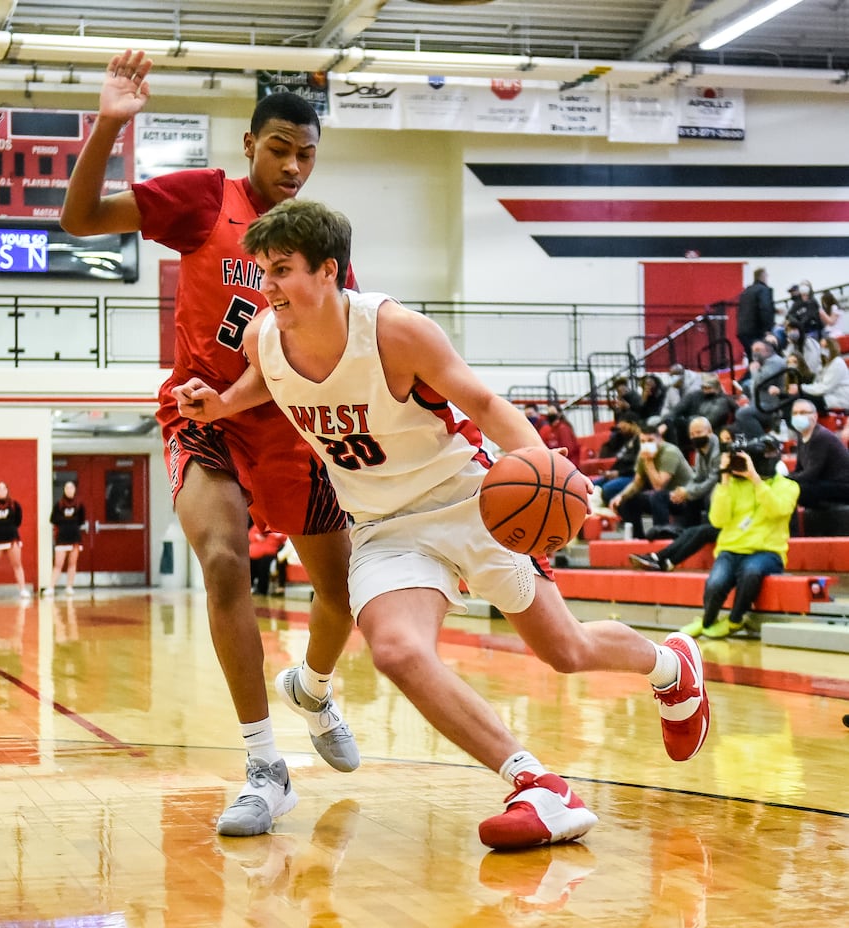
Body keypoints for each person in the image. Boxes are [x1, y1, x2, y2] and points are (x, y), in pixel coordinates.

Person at [175, 199, 709, 849]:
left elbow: (481, 401)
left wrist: (539, 461)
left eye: (281, 271)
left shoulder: (395, 332)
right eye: (262, 271)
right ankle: (538, 785)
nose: (267, 287)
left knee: (565, 650)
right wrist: (222, 402)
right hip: (382, 527)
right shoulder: (266, 333)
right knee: (397, 651)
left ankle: (670, 664)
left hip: (470, 504)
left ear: (328, 271)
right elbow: (267, 379)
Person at [61, 49, 360, 835]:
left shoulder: (321, 244)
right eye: (279, 148)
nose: (292, 165)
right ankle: (265, 766)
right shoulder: (203, 201)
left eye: (306, 154)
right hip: (202, 417)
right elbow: (80, 220)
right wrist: (109, 126)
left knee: (342, 597)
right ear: (249, 145)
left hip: (292, 426)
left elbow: (346, 351)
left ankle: (316, 688)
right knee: (224, 562)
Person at [679, 435, 799, 639]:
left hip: (767, 552)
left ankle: (735, 620)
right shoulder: (731, 485)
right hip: (730, 550)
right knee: (715, 583)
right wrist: (724, 480)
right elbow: (718, 520)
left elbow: (777, 510)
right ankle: (706, 622)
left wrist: (755, 479)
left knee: (751, 572)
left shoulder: (788, 486)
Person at [629, 419, 722, 572]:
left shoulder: (719, 453)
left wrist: (688, 492)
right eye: (692, 434)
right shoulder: (700, 452)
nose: (695, 437)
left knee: (698, 529)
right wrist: (684, 492)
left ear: (710, 432)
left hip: (718, 507)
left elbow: (712, 480)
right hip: (712, 505)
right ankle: (660, 559)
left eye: (698, 433)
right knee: (693, 530)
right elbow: (697, 478)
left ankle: (659, 558)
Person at [609, 422, 694, 540]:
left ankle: (661, 536)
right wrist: (621, 496)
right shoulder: (642, 454)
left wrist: (649, 462)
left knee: (657, 496)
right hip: (665, 497)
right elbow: (637, 482)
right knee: (627, 501)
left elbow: (659, 485)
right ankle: (638, 538)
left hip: (685, 498)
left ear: (659, 439)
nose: (646, 444)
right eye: (643, 441)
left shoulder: (670, 452)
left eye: (650, 440)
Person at [789, 398, 849, 509]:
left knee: (802, 490)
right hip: (824, 482)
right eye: (795, 413)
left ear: (815, 416)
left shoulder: (820, 437)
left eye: (803, 412)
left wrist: (787, 480)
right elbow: (799, 467)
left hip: (842, 486)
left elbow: (811, 474)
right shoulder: (801, 435)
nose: (798, 416)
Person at [732, 339, 788, 439]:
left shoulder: (775, 362)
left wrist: (754, 370)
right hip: (760, 404)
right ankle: (748, 449)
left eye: (758, 349)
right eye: (753, 350)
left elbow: (762, 381)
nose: (754, 353)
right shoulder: (763, 364)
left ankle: (762, 444)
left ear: (768, 350)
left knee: (742, 414)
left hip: (773, 406)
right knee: (735, 423)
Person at [48, 480, 86, 597]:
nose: (69, 490)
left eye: (71, 488)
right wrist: (65, 521)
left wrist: (71, 522)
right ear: (64, 490)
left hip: (74, 537)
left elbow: (81, 520)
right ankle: (51, 588)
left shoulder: (79, 505)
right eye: (67, 488)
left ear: (74, 490)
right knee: (58, 564)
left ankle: (69, 587)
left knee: (72, 563)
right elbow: (53, 519)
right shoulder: (58, 505)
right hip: (61, 538)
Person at [736, 268, 774, 364]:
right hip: (756, 331)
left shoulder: (746, 291)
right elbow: (765, 309)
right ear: (763, 276)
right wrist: (768, 329)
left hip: (742, 330)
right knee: (761, 360)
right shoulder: (763, 290)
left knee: (752, 359)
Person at [248, 523, 287, 596]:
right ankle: (249, 587)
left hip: (269, 554)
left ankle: (261, 590)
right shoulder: (259, 525)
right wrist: (257, 536)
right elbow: (251, 534)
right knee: (248, 567)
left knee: (264, 567)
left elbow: (286, 539)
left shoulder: (279, 529)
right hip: (253, 554)